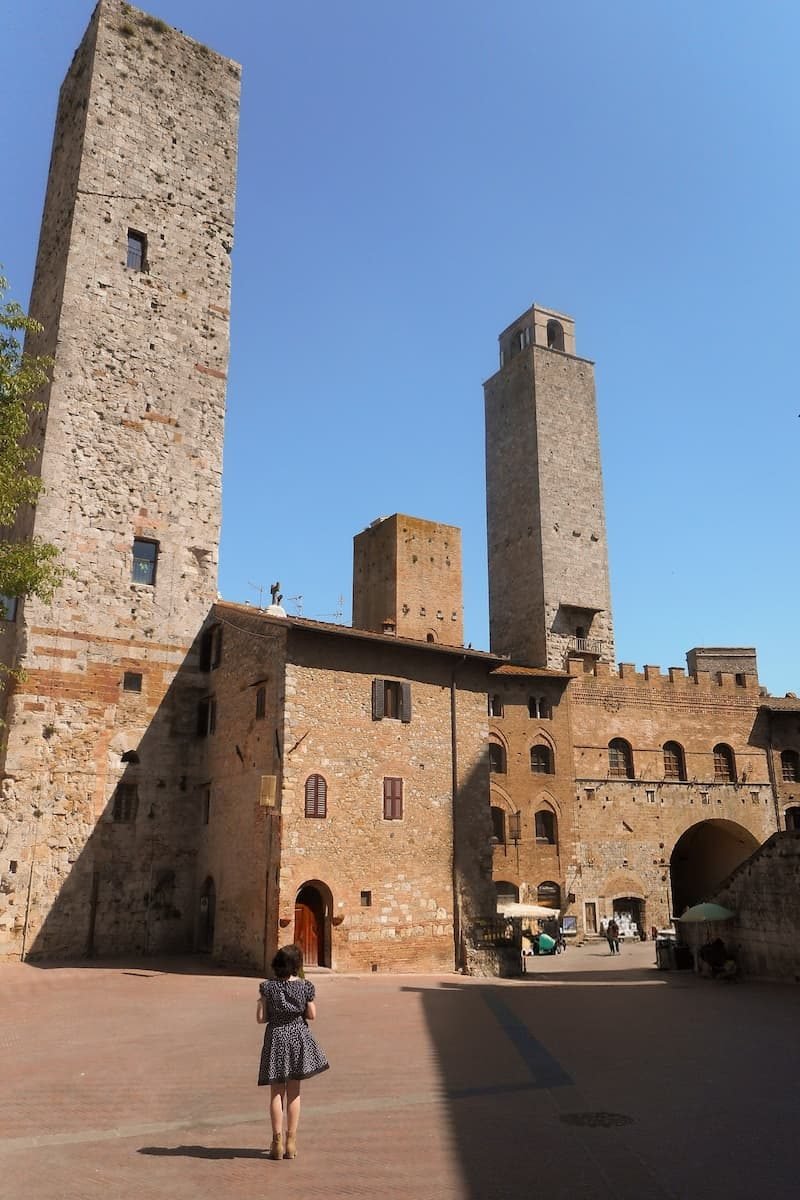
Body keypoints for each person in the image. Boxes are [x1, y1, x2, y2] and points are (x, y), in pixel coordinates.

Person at [257, 944, 329, 1160]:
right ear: (297, 965)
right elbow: (312, 1014)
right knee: (294, 1092)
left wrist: (264, 1004)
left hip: (276, 1037)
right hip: (298, 1037)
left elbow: (261, 1018)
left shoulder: (268, 987)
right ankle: (291, 1141)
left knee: (276, 1092)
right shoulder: (305, 987)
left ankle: (276, 1142)